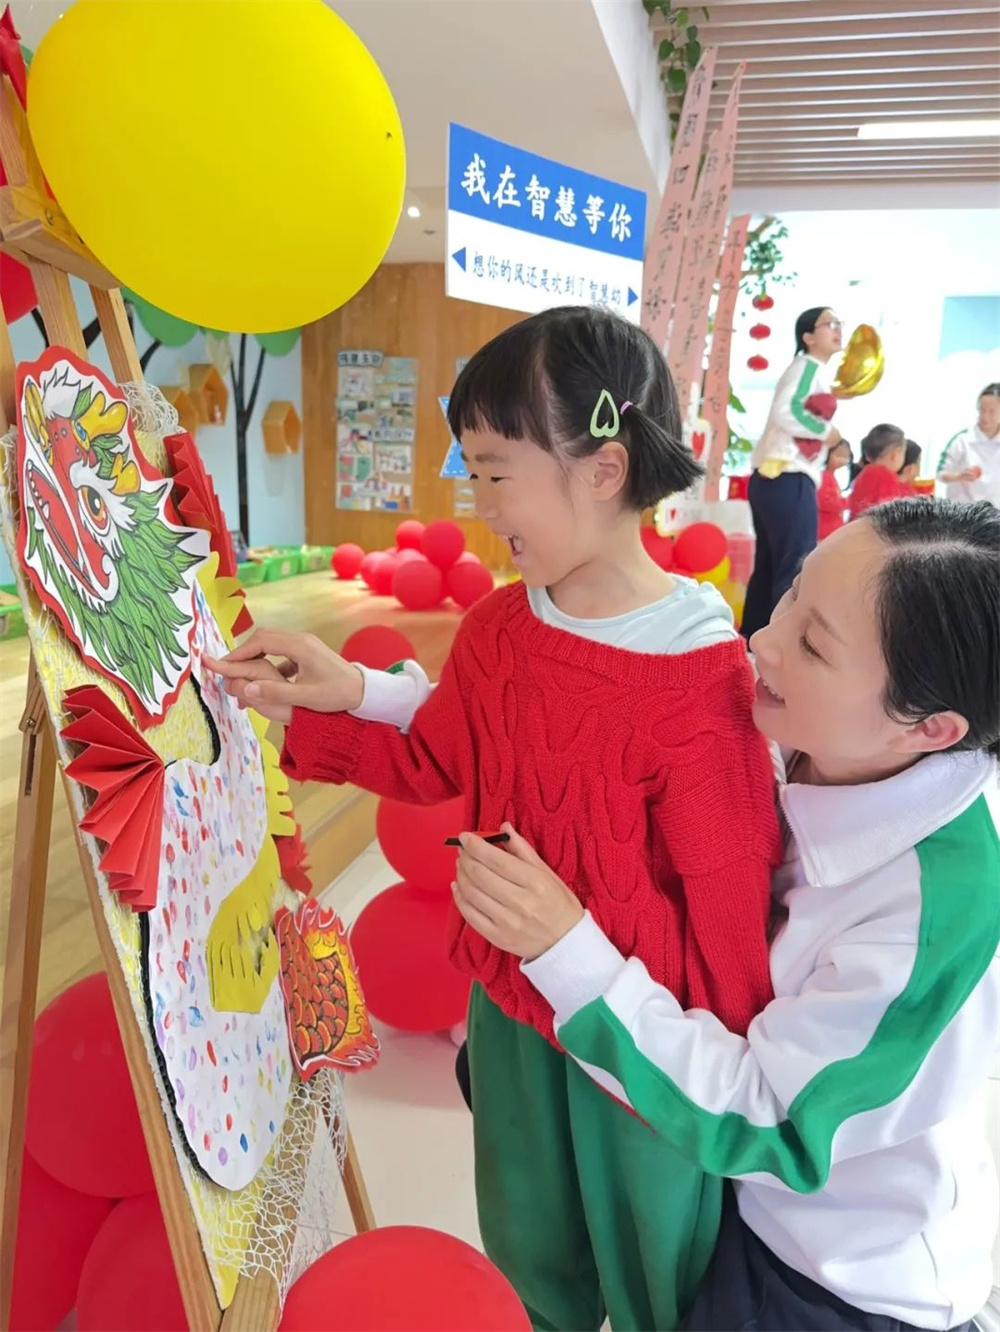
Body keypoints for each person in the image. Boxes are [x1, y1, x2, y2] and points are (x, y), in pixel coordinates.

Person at [208, 306, 782, 1332]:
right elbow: (441, 756)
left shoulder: (699, 670)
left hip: (639, 1045)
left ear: (603, 470)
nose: (478, 506)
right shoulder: (502, 626)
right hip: (512, 1012)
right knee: (527, 1254)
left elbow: (730, 903)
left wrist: (730, 1088)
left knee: (659, 1271)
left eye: (494, 472)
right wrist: (315, 704)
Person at [448, 498, 1000, 1332]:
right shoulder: (801, 730)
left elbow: (770, 1119)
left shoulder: (936, 911)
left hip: (830, 1271)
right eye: (791, 595)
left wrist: (566, 952)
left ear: (929, 729)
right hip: (728, 1179)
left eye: (813, 645)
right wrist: (373, 696)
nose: (763, 641)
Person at [743, 307, 844, 640]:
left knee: (771, 567)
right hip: (788, 475)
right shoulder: (807, 366)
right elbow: (787, 410)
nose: (838, 330)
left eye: (839, 324)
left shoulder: (811, 370)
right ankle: (781, 649)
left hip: (775, 478)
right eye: (829, 324)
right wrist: (826, 431)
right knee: (793, 568)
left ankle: (753, 645)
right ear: (808, 337)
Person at [939, 382, 1000, 507]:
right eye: (982, 410)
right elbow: (940, 473)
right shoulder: (962, 440)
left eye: (991, 411)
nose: (985, 416)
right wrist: (959, 476)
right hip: (962, 511)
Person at [848, 424, 908, 521]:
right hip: (872, 529)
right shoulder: (887, 478)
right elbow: (891, 516)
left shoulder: (864, 473)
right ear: (896, 453)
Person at [817, 437, 852, 541]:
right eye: (838, 455)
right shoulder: (824, 476)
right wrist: (847, 502)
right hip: (824, 530)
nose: (843, 460)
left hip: (830, 530)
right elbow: (825, 502)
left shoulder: (831, 476)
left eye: (846, 457)